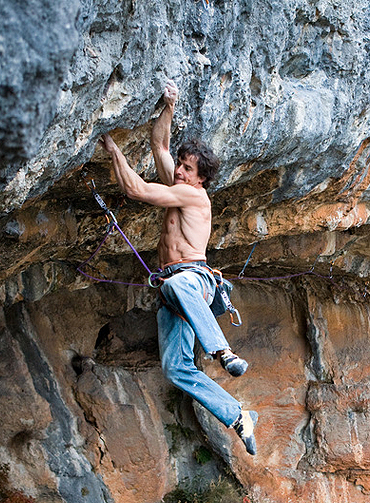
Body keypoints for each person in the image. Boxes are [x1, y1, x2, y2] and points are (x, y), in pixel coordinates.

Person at [98, 80, 258, 455]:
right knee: (175, 369)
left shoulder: (192, 194)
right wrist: (168, 108)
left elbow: (136, 190)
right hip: (173, 290)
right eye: (182, 167)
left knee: (176, 286)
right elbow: (160, 145)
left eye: (187, 170)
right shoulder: (179, 182)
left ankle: (223, 353)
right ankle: (238, 416)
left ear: (200, 179)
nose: (180, 173)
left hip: (194, 280)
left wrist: (114, 150)